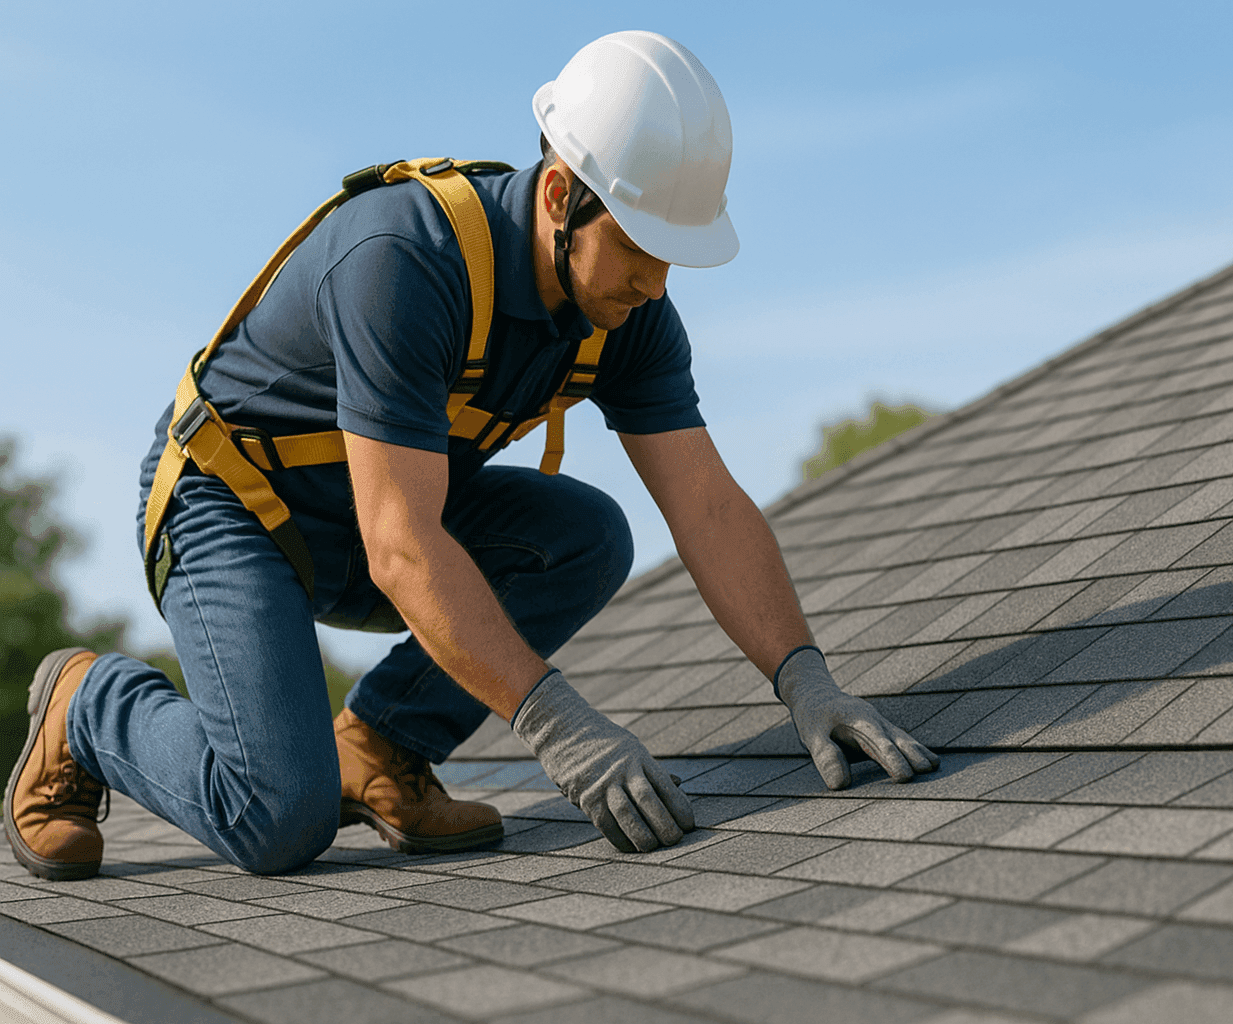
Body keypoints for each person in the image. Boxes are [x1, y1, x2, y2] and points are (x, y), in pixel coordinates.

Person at [5, 31, 938, 881]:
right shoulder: (403, 259)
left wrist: (803, 677)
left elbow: (707, 504)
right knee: (277, 818)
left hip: (376, 520)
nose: (657, 285)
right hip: (233, 508)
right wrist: (557, 724)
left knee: (584, 536)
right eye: (643, 249)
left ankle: (381, 747)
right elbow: (402, 546)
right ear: (563, 193)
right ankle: (89, 704)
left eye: (674, 259)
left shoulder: (631, 314)